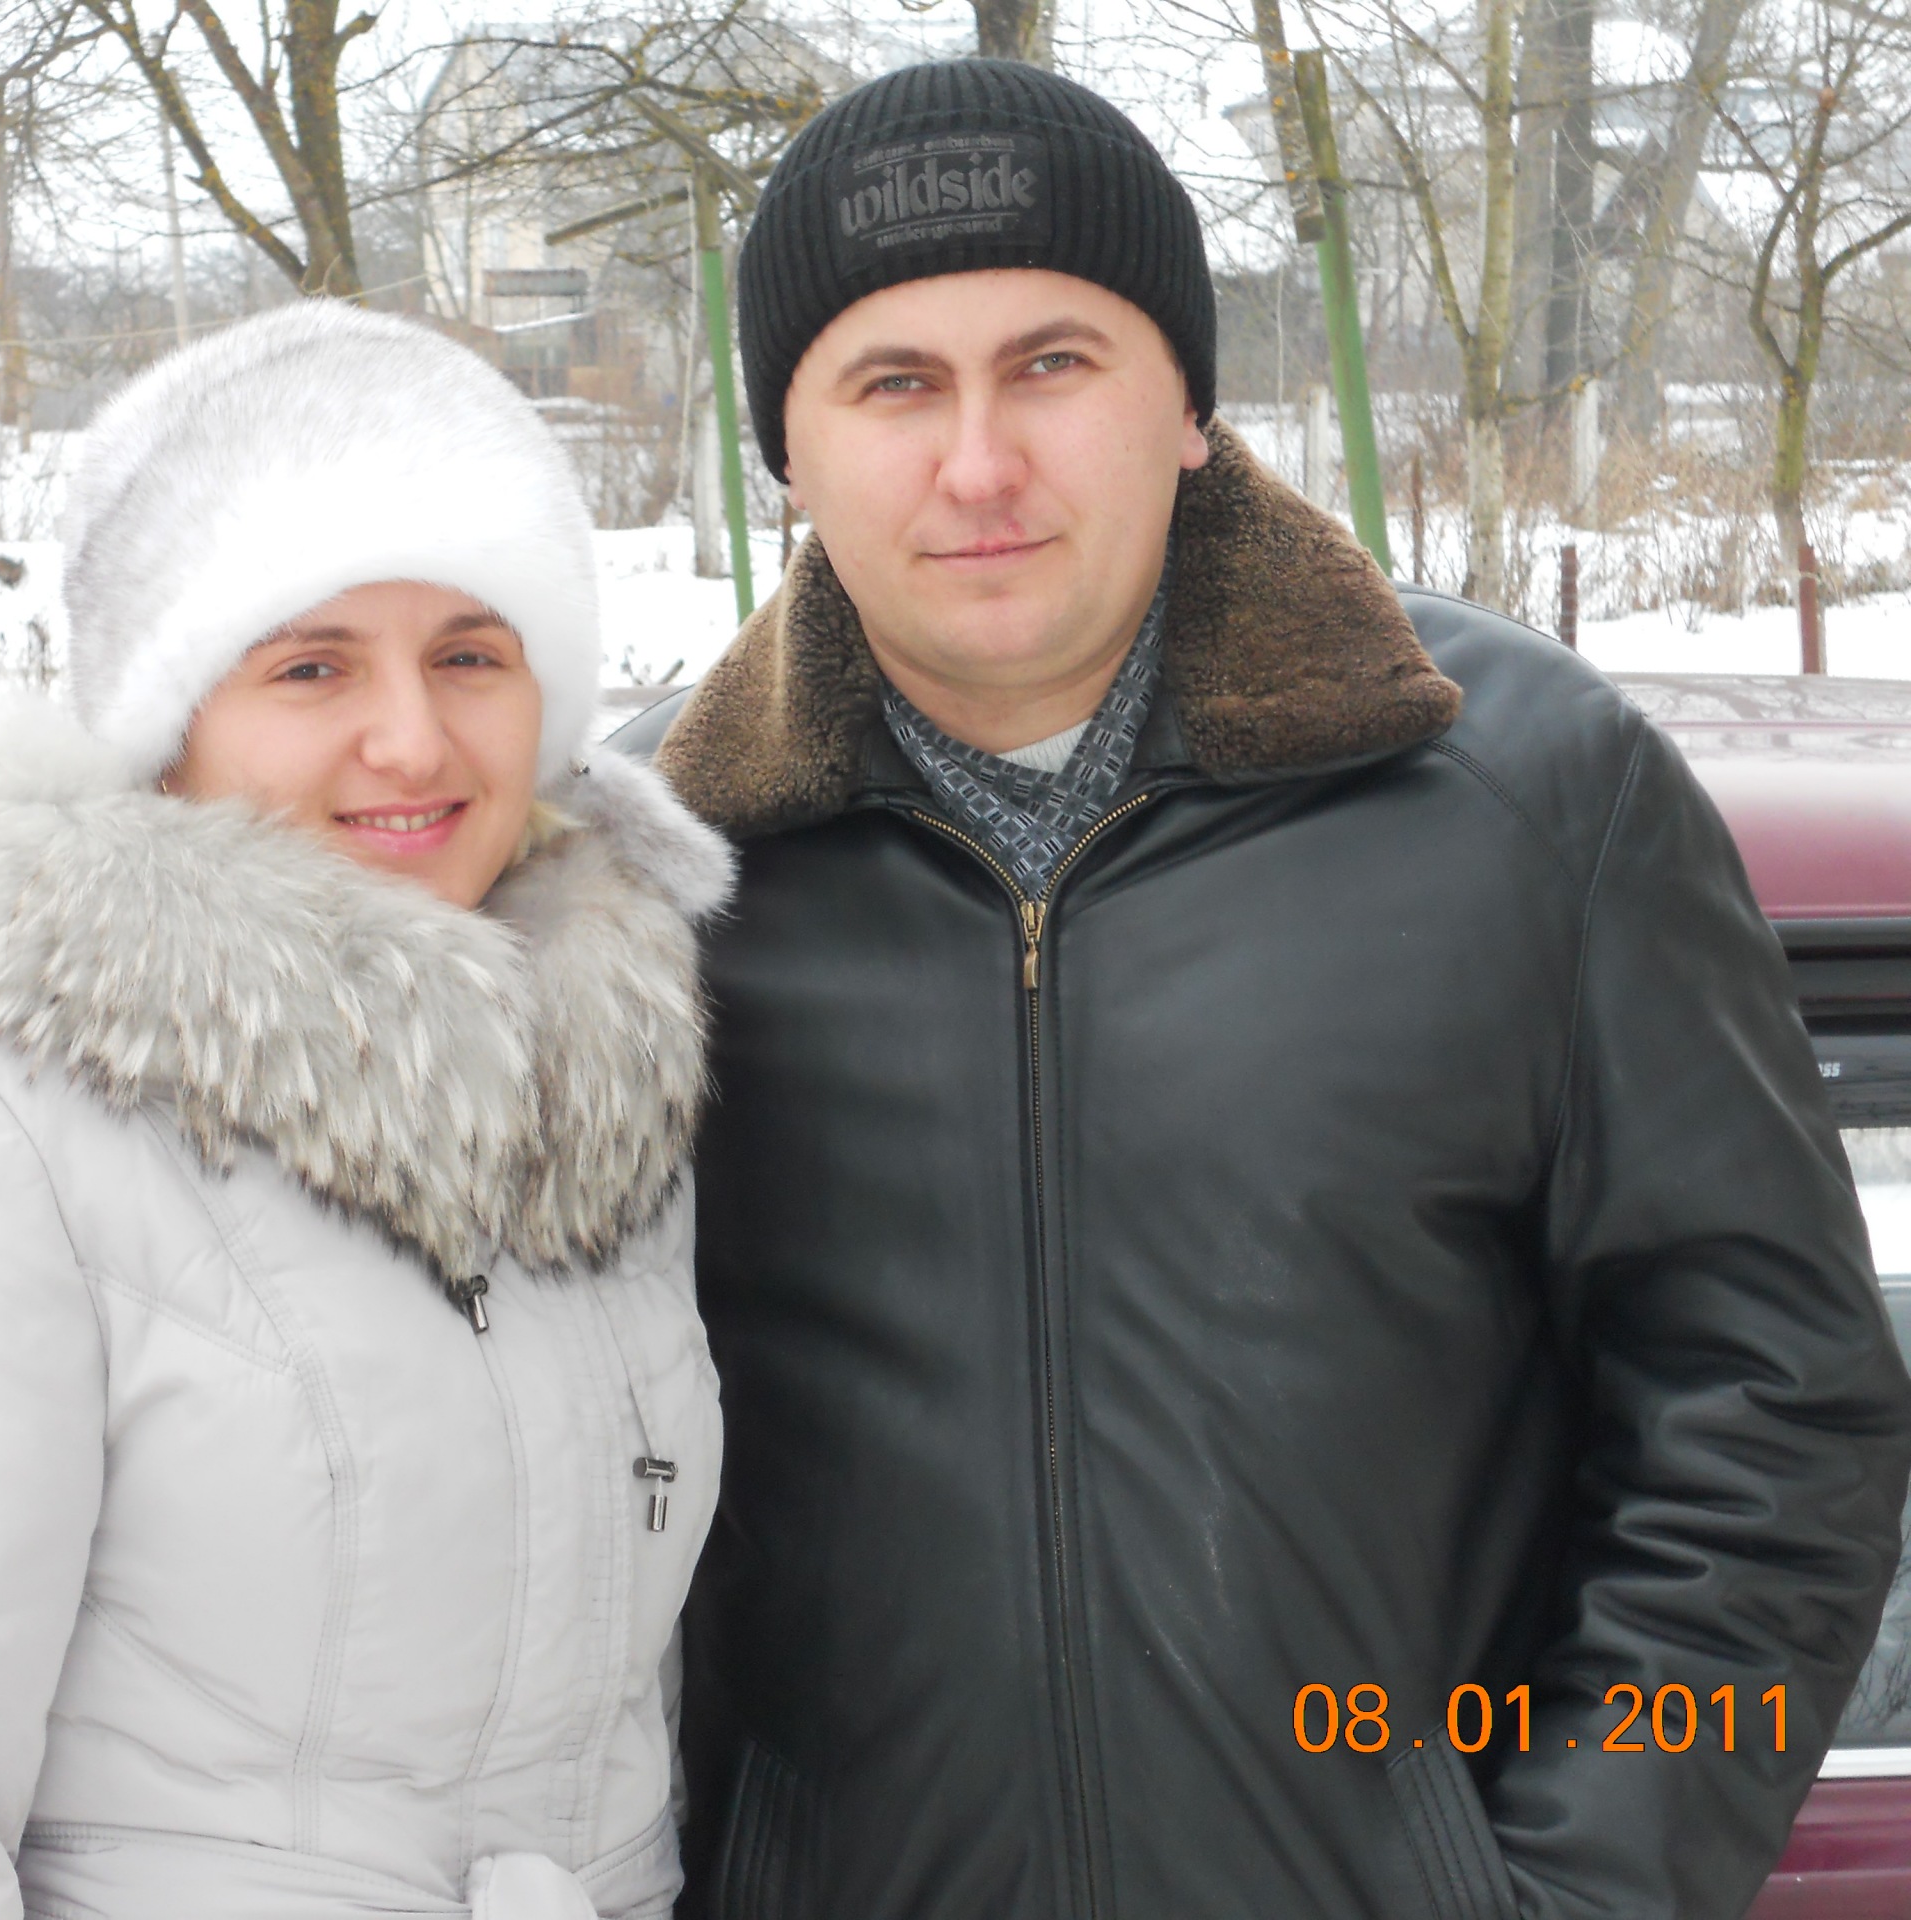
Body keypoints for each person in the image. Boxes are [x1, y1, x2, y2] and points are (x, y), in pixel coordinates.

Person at [615, 58, 1911, 1920]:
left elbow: (1772, 1419)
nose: (978, 464)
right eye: (893, 384)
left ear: (1190, 409)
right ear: (788, 452)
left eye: (1053, 363)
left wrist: (1570, 1890)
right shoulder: (646, 878)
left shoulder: (1532, 799)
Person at [0, 302, 733, 1920]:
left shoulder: (603, 1119)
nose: (413, 737)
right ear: (168, 724)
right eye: (311, 666)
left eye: (471, 655)